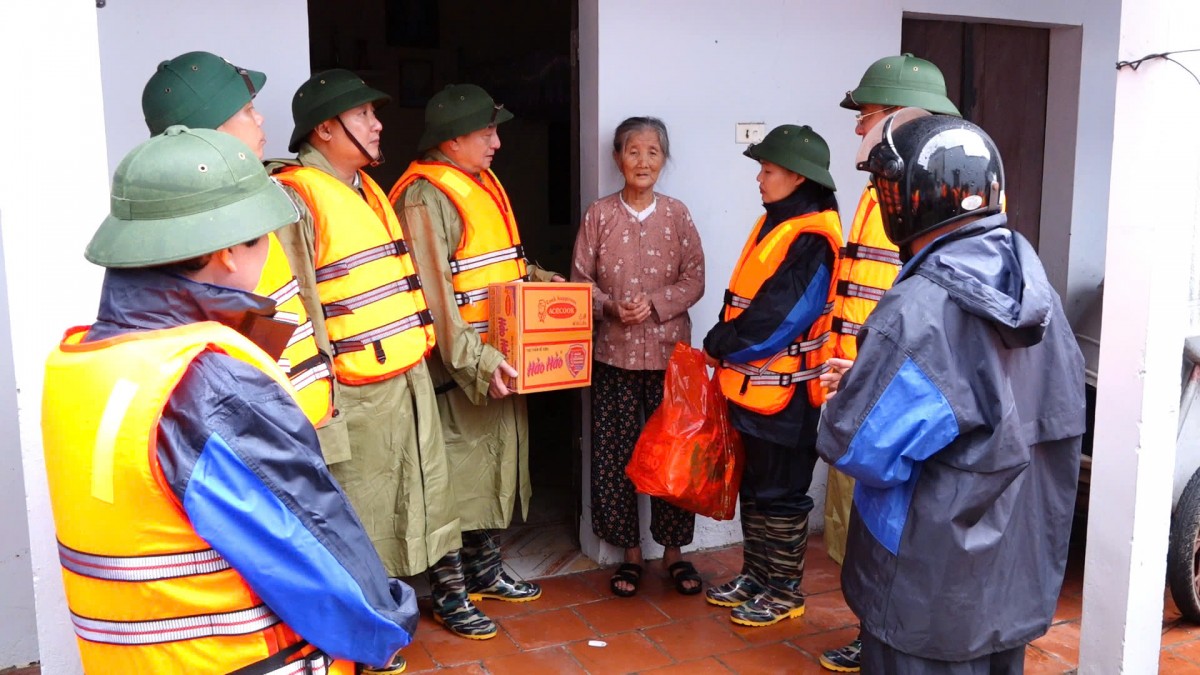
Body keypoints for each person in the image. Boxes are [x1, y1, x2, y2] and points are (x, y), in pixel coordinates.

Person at [41, 126, 414, 674]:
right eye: (264, 238)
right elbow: (326, 568)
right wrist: (388, 622)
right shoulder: (206, 384)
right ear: (225, 251)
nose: (270, 254)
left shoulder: (82, 360)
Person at [817, 114, 1085, 673]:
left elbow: (858, 444)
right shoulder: (1034, 290)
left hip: (926, 588)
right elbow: (1015, 408)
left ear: (912, 199)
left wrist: (853, 393)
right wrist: (874, 375)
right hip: (1010, 581)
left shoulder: (919, 308)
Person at [265, 70, 477, 638]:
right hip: (353, 390)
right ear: (327, 129)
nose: (379, 124)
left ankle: (450, 594)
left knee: (432, 487)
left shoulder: (368, 188)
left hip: (407, 373)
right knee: (365, 510)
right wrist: (320, 403)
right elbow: (299, 307)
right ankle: (370, 623)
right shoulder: (294, 197)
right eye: (364, 116)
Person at [388, 83, 560, 628]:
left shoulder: (478, 184)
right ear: (454, 137)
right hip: (456, 367)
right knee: (452, 478)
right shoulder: (423, 197)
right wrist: (478, 364)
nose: (497, 143)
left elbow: (496, 267)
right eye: (487, 132)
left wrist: (544, 287)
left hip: (498, 355)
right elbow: (437, 298)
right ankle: (449, 591)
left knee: (490, 468)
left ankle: (485, 569)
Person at [819, 53, 961, 673]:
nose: (857, 129)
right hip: (864, 379)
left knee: (886, 525)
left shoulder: (934, 195)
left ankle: (884, 631)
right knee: (857, 523)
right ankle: (872, 626)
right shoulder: (883, 192)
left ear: (903, 118)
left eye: (867, 115)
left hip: (899, 392)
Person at [141, 51, 338, 443]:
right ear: (211, 130)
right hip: (263, 443)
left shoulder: (256, 199)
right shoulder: (195, 229)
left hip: (307, 422)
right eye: (248, 111)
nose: (261, 119)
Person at [702, 124, 842, 627]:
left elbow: (784, 317)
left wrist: (723, 342)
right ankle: (757, 577)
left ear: (799, 178)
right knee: (758, 488)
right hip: (753, 391)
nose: (759, 179)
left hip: (788, 396)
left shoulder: (813, 237)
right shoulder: (778, 223)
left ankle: (784, 590)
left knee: (782, 493)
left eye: (768, 170)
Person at [571, 116, 706, 597]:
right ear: (617, 159)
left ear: (663, 160)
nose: (643, 161)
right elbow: (578, 281)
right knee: (615, 455)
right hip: (614, 356)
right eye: (633, 151)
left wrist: (656, 304)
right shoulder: (599, 215)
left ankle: (673, 553)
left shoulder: (678, 214)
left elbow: (695, 278)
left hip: (671, 359)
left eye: (653, 152)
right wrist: (608, 306)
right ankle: (629, 554)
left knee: (675, 455)